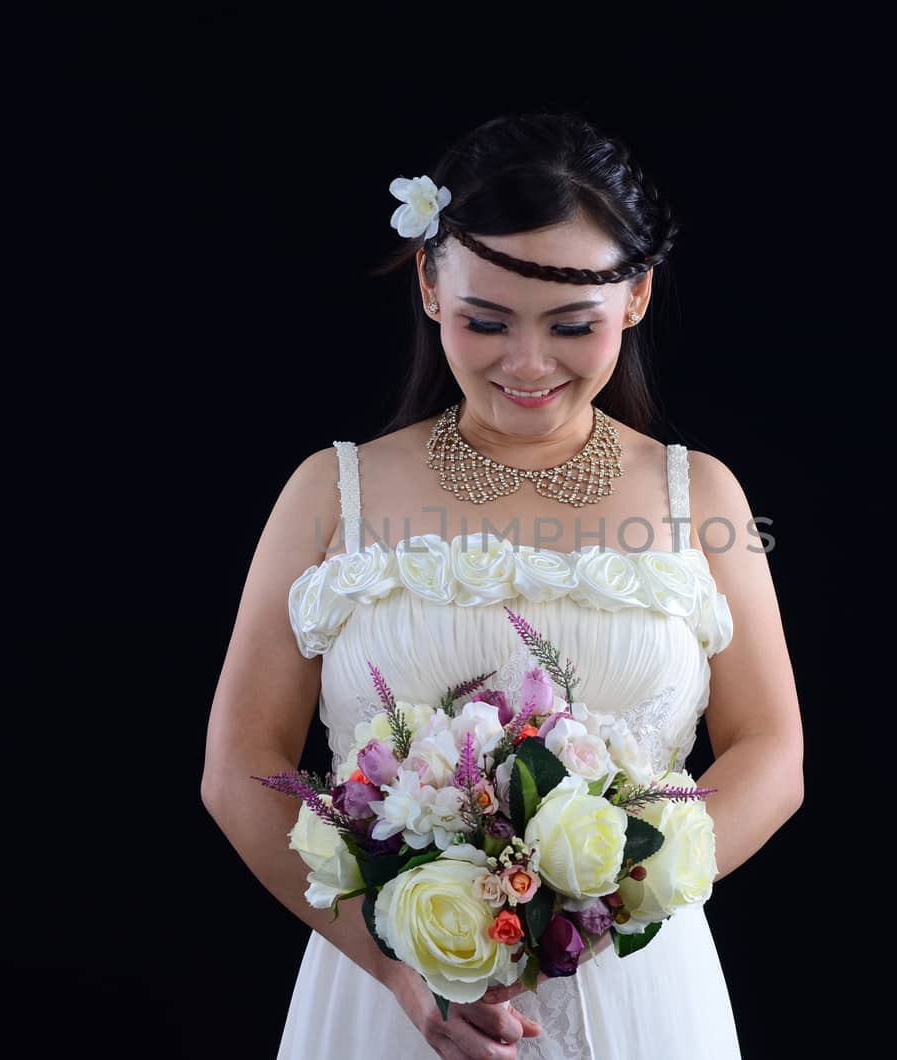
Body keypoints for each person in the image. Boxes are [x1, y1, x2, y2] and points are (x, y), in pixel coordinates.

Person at [201, 111, 804, 1059]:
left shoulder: (702, 497)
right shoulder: (333, 493)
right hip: (389, 995)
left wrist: (611, 902)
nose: (528, 364)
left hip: (641, 994)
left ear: (637, 298)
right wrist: (404, 968)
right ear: (431, 286)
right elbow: (240, 765)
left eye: (573, 326)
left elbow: (772, 751)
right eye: (487, 321)